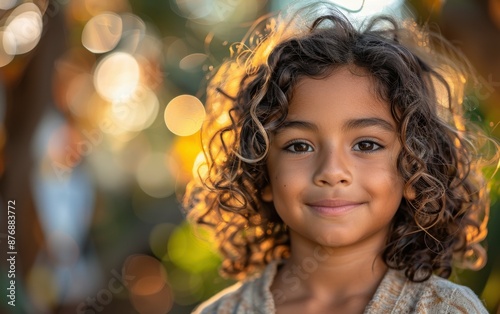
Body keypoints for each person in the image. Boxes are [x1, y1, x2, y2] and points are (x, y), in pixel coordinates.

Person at [183, 2, 498, 313]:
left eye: (365, 145)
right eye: (299, 146)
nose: (332, 171)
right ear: (260, 170)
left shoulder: (447, 310)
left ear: (414, 168)